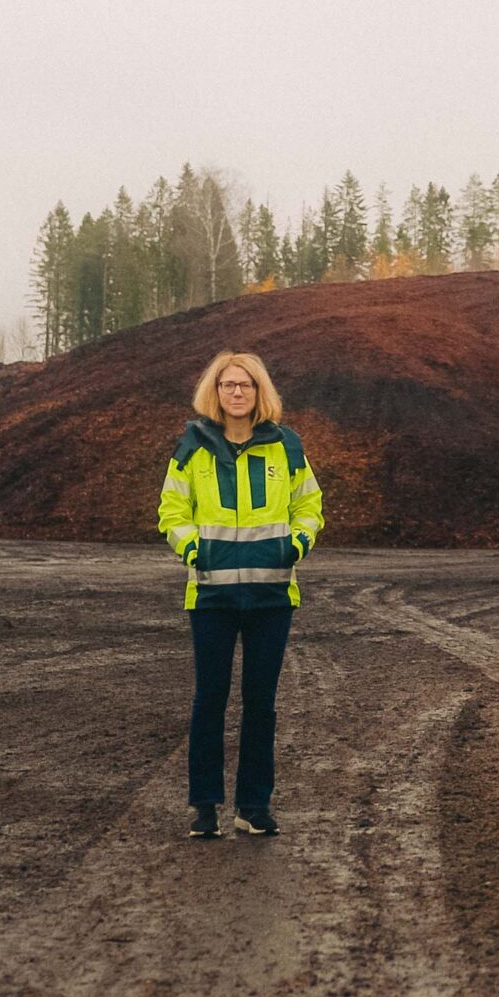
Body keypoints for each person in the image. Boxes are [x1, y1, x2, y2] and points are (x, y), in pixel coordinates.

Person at [156, 350, 323, 840]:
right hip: (212, 596)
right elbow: (172, 509)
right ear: (215, 391)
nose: (236, 392)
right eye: (228, 384)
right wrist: (193, 549)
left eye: (245, 385)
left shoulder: (286, 446)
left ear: (259, 391)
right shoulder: (192, 447)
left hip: (272, 596)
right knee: (210, 699)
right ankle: (205, 806)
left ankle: (253, 806)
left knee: (261, 703)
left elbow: (309, 504)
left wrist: (297, 543)